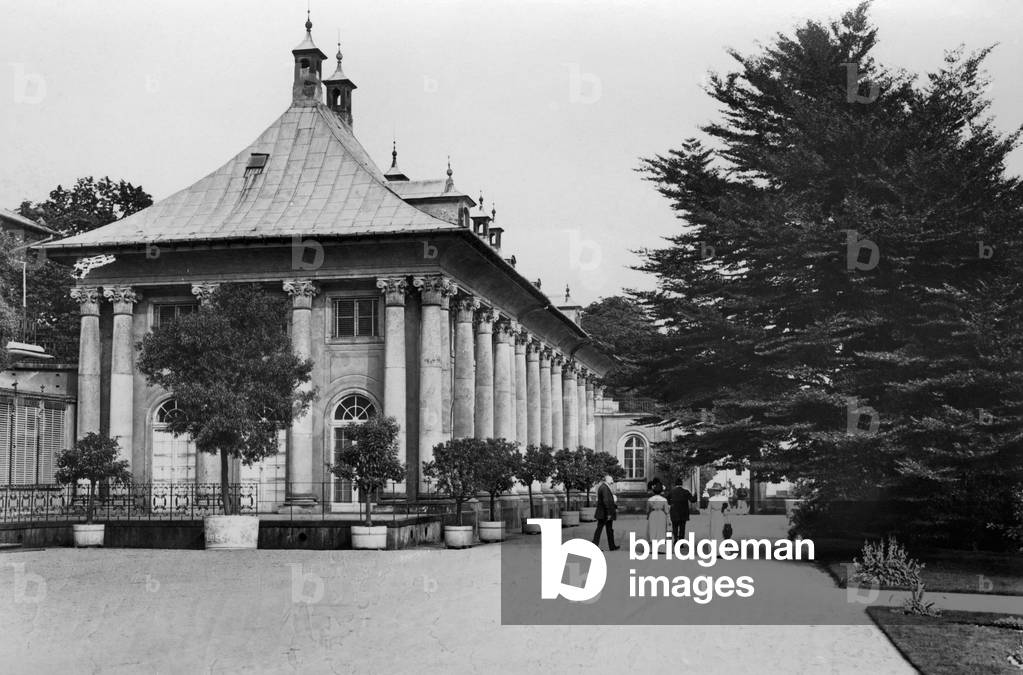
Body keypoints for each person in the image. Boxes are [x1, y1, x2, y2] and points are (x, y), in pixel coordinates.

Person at [592, 474, 619, 551]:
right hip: (604, 514)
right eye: (611, 480)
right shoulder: (604, 488)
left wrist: (614, 506)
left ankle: (612, 546)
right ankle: (594, 546)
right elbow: (606, 501)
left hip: (604, 513)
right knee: (599, 530)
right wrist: (609, 513)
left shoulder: (604, 487)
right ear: (607, 480)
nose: (612, 481)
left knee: (609, 530)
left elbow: (608, 500)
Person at [667, 477, 697, 544]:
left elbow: (668, 501)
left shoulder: (671, 492)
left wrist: (672, 504)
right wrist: (695, 495)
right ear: (682, 484)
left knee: (675, 527)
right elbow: (693, 500)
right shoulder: (686, 492)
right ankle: (681, 542)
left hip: (674, 512)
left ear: (675, 484)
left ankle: (675, 539)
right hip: (683, 513)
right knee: (682, 528)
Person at [646, 481, 670, 553]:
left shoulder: (650, 499)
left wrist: (648, 516)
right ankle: (661, 549)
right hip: (661, 515)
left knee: (652, 531)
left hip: (652, 515)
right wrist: (668, 519)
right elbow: (666, 510)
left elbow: (647, 510)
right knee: (661, 531)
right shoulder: (664, 500)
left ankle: (652, 549)